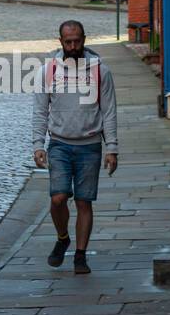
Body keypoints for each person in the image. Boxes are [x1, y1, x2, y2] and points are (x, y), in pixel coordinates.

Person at [33, 21, 118, 275]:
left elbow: (109, 111)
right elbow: (39, 111)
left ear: (84, 39)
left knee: (83, 202)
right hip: (59, 143)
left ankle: (80, 256)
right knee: (58, 198)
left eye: (77, 41)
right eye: (68, 42)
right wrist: (38, 144)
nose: (73, 46)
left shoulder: (100, 70)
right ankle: (62, 238)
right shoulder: (48, 70)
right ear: (60, 41)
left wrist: (112, 147)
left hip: (90, 145)